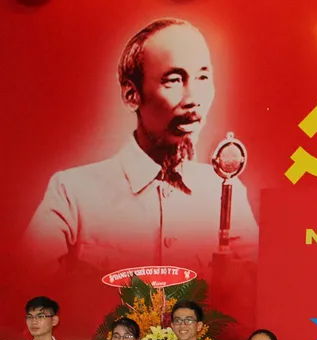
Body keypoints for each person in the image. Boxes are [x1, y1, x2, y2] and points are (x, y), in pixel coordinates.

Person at [20, 18, 257, 281]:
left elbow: (261, 287)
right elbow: (26, 288)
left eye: (203, 77)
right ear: (131, 95)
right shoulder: (72, 194)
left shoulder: (226, 193)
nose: (193, 99)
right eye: (173, 80)